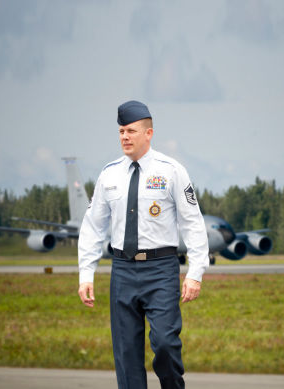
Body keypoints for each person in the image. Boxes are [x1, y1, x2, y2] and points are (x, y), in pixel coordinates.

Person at [78, 100, 209, 389]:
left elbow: (193, 223)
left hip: (161, 270)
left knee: (164, 344)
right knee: (126, 354)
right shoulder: (109, 174)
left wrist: (196, 273)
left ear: (149, 134)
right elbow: (92, 227)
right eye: (121, 131)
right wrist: (85, 274)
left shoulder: (172, 171)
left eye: (131, 131)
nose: (125, 137)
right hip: (122, 270)